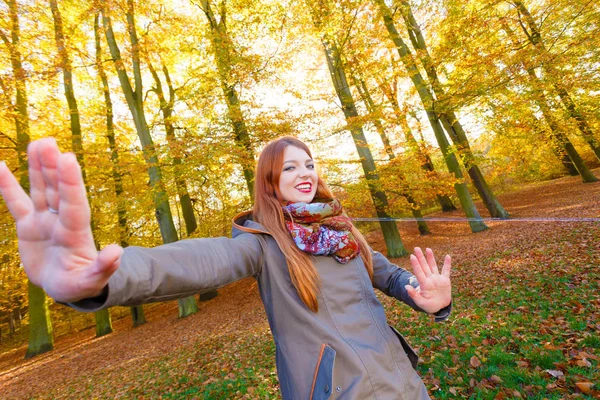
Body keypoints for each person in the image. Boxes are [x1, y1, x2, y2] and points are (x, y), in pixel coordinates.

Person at [0, 136, 452, 399]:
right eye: (289, 166)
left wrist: (424, 291)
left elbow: (386, 274)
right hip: (341, 391)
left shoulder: (341, 229)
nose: (304, 172)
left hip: (404, 382)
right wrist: (105, 278)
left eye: (309, 163)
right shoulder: (262, 244)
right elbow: (199, 260)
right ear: (270, 181)